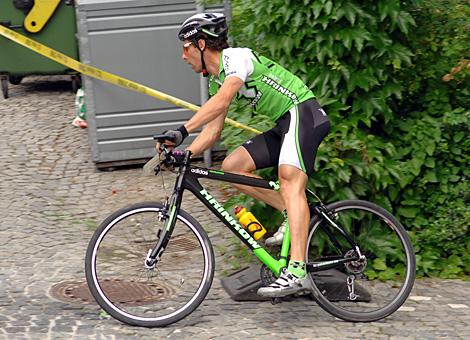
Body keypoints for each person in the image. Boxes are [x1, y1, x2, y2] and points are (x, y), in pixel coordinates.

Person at [159, 13, 330, 297]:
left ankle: (298, 270)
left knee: (289, 180)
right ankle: (292, 213)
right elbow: (213, 133)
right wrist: (182, 153)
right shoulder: (216, 81)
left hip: (303, 113)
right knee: (233, 166)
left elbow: (224, 100)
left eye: (185, 47)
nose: (182, 55)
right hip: (285, 123)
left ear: (202, 44)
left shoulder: (236, 59)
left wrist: (182, 129)